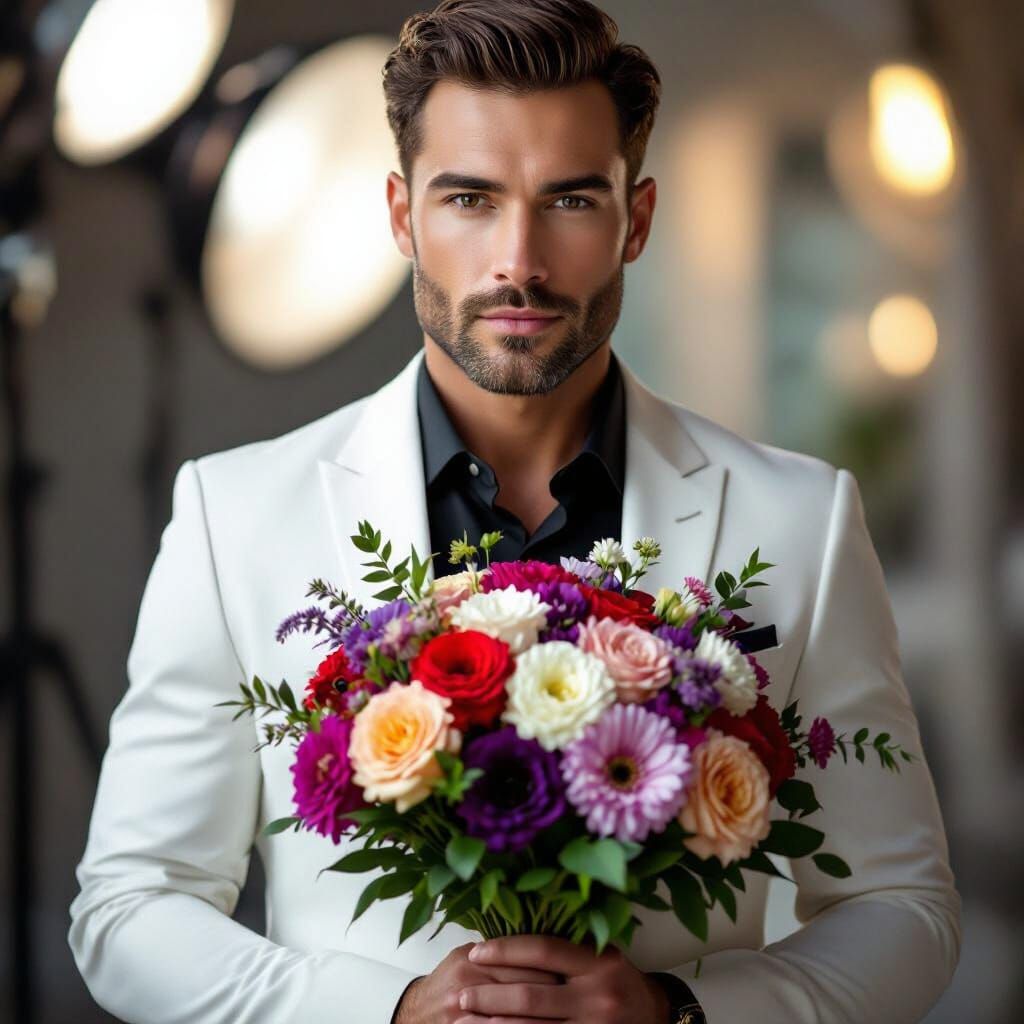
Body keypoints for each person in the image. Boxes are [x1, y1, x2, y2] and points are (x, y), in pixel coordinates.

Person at [68, 1, 961, 1022]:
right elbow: (131, 905)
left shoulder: (801, 518)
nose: (519, 261)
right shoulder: (235, 516)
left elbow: (903, 905)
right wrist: (389, 1010)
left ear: (637, 217)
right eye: (471, 199)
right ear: (403, 215)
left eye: (570, 200)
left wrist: (681, 1011)